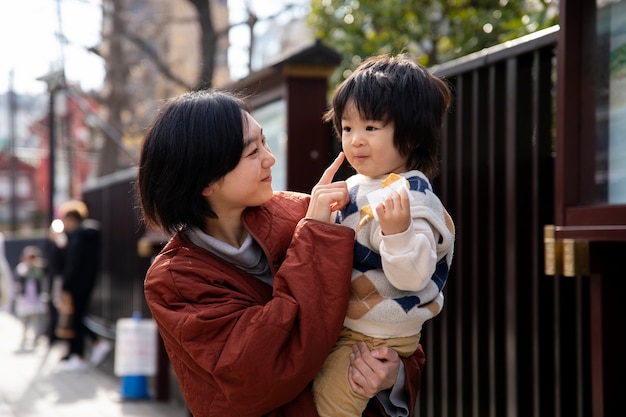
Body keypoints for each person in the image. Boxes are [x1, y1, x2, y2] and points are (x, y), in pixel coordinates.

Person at [138, 89, 426, 417]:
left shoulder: (304, 212)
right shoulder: (174, 280)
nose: (269, 158)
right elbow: (262, 370)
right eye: (251, 152)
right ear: (206, 180)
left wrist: (394, 375)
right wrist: (315, 240)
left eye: (264, 141)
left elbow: (393, 314)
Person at [311, 54, 456, 417]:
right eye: (347, 128)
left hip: (376, 334)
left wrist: (398, 233)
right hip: (352, 325)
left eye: (371, 128)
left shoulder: (412, 196)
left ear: (411, 135)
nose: (356, 141)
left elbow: (413, 276)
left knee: (329, 405)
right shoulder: (359, 185)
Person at [54, 199, 111, 371]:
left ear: (71, 218)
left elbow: (73, 262)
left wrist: (66, 283)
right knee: (79, 316)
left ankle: (83, 353)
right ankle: (82, 352)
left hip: (77, 283)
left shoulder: (78, 236)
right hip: (87, 281)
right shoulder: (88, 234)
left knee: (76, 317)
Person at [13, 245, 48, 351]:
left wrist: (37, 265)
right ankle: (24, 338)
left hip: (36, 296)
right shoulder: (22, 267)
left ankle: (36, 338)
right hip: (25, 297)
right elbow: (20, 276)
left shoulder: (38, 267)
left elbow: (45, 273)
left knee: (36, 320)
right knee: (24, 320)